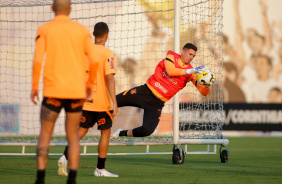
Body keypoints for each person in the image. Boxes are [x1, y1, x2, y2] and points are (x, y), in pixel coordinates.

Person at [30, 0, 98, 184]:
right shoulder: (81, 30)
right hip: (75, 92)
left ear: (52, 8)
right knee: (73, 136)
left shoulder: (45, 29)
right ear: (70, 10)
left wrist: (35, 86)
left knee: (45, 134)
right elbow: (94, 60)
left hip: (53, 91)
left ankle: (40, 179)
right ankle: (72, 180)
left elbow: (37, 60)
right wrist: (90, 84)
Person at [111, 43, 214, 139]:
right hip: (145, 92)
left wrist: (208, 83)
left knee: (147, 131)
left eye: (193, 56)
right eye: (190, 54)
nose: (191, 57)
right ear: (183, 51)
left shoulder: (191, 73)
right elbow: (171, 71)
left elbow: (204, 92)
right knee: (112, 103)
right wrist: (190, 70)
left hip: (157, 103)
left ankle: (120, 133)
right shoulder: (172, 56)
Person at [58, 22, 119, 177]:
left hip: (85, 100)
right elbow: (110, 78)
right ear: (107, 35)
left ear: (93, 34)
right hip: (102, 103)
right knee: (105, 133)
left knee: (81, 130)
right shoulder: (108, 53)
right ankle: (100, 169)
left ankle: (64, 157)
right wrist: (115, 103)